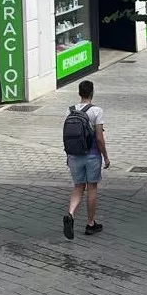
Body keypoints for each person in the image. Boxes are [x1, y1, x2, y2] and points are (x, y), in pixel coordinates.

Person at [63, 80, 109, 240]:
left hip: (74, 156)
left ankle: (70, 214)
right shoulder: (96, 111)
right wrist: (106, 157)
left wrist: (68, 156)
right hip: (92, 156)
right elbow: (99, 138)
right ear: (92, 93)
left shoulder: (70, 111)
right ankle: (90, 223)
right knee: (92, 188)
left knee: (78, 187)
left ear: (79, 93)